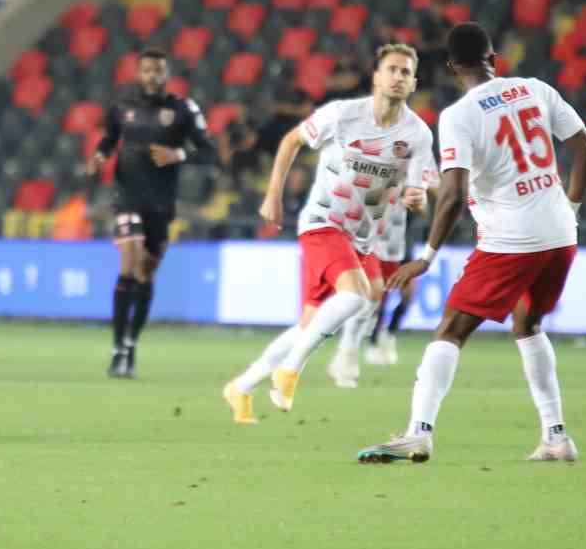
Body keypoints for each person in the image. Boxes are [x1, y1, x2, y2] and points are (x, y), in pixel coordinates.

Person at [355, 22, 586, 464]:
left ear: (451, 68)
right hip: (561, 233)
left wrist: (426, 256)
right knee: (528, 325)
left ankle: (418, 432)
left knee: (450, 329)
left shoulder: (458, 116)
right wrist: (572, 209)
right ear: (495, 60)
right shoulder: (535, 89)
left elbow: (451, 193)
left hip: (512, 238)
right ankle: (556, 436)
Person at [222, 44, 434, 423]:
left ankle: (241, 387)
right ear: (376, 76)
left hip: (362, 237)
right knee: (357, 297)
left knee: (312, 322)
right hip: (323, 222)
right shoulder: (343, 115)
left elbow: (418, 193)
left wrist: (417, 199)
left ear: (414, 82)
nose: (398, 77)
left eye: (406, 72)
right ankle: (289, 371)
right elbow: (291, 141)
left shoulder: (417, 134)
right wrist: (273, 195)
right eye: (392, 69)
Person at [90, 48, 217, 379]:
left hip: (160, 204)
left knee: (146, 274)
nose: (152, 76)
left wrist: (177, 153)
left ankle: (130, 346)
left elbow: (209, 151)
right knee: (129, 264)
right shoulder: (121, 108)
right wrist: (100, 155)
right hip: (127, 196)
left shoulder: (182, 110)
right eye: (147, 70)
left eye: (158, 71)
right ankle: (118, 348)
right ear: (138, 73)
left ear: (167, 74)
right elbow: (108, 139)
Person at [361, 178, 437, 369]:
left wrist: (415, 203)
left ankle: (390, 334)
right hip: (380, 248)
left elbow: (424, 214)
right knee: (380, 299)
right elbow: (367, 204)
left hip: (405, 247)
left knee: (407, 297)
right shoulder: (380, 178)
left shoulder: (413, 182)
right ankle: (373, 341)